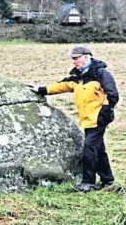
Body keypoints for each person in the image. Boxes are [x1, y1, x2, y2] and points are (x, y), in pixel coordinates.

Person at [28, 45, 119, 193]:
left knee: (89, 149)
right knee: (98, 149)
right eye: (73, 59)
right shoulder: (79, 77)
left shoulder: (100, 73)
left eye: (76, 58)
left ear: (86, 56)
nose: (74, 62)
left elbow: (112, 94)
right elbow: (63, 86)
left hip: (98, 119)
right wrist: (42, 89)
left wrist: (104, 113)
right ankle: (107, 180)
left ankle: (87, 183)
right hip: (88, 119)